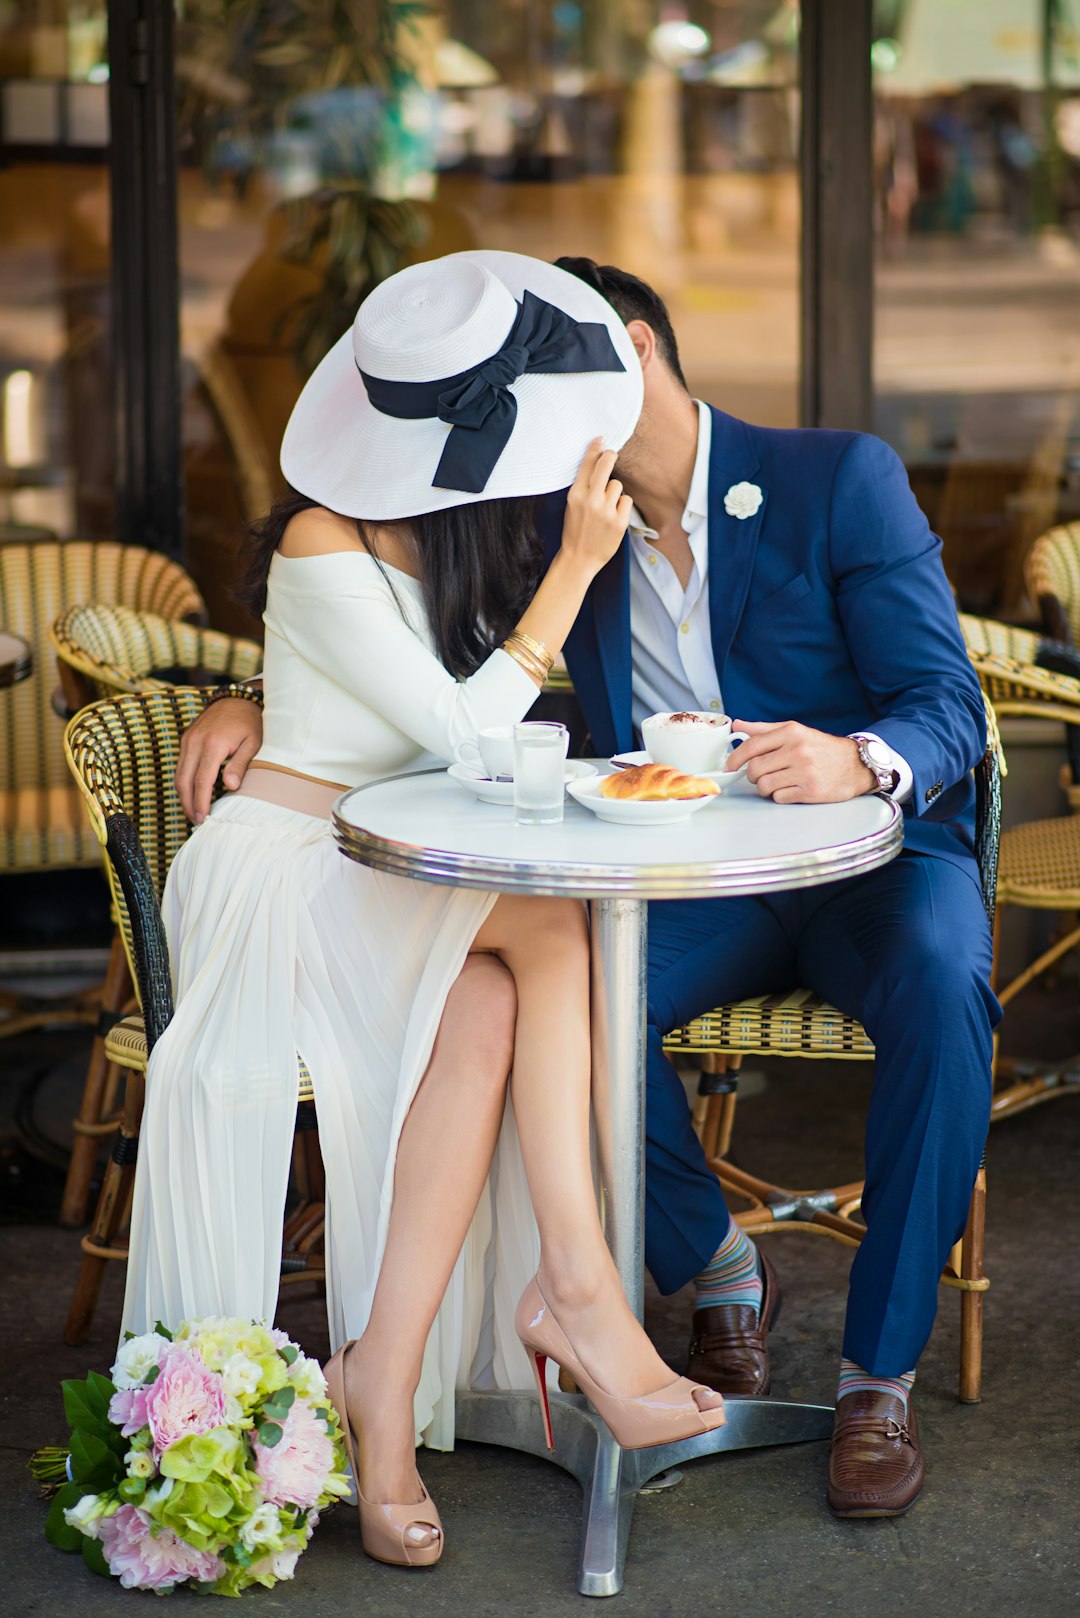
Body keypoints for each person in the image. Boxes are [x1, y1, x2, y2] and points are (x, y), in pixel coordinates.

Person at [180, 256, 999, 1522]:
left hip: (868, 864)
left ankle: (874, 1379)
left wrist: (860, 760)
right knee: (582, 993)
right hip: (678, 877)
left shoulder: (837, 479)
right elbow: (402, 649)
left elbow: (950, 704)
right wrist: (248, 697)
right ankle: (719, 1271)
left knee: (947, 982)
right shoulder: (558, 528)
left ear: (627, 351)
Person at [126, 251, 726, 1572]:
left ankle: (379, 1378)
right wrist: (572, 569)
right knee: (551, 929)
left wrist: (547, 569)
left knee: (502, 988)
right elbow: (462, 728)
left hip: (389, 868)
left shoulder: (460, 529)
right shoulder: (318, 534)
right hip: (284, 867)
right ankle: (577, 1294)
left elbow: (454, 726)